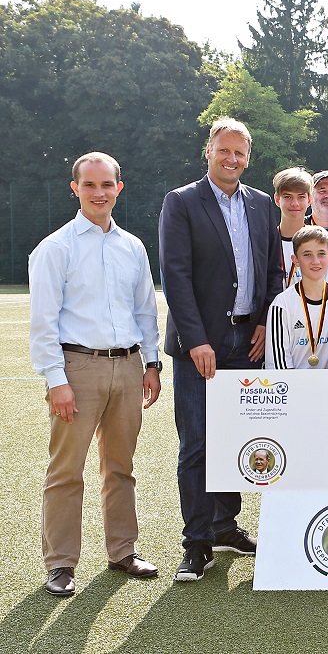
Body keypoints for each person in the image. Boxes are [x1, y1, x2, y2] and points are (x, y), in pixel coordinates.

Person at [29, 152, 163, 596]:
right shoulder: (55, 248)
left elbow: (144, 310)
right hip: (77, 369)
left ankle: (123, 551)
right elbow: (43, 322)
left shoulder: (133, 247)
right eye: (90, 185)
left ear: (118, 188)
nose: (99, 192)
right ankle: (61, 564)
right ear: (76, 189)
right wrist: (56, 380)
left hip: (128, 367)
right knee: (66, 471)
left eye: (107, 184)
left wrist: (151, 363)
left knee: (121, 466)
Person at [159, 117, 284, 582]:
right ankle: (196, 543)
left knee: (234, 439)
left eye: (240, 152)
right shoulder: (181, 201)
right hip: (202, 344)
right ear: (208, 151)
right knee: (197, 443)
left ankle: (225, 526)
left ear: (248, 158)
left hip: (247, 341)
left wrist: (264, 322)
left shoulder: (262, 204)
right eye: (224, 150)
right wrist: (196, 340)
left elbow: (273, 271)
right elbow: (175, 276)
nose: (232, 159)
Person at [265, 225, 328, 369]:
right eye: (307, 255)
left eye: (321, 254)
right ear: (295, 260)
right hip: (294, 382)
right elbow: (279, 367)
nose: (315, 261)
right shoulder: (282, 304)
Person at [273, 167, 328, 288]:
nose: (295, 203)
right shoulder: (266, 243)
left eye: (301, 197)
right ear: (277, 199)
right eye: (288, 197)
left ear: (309, 200)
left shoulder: (322, 242)